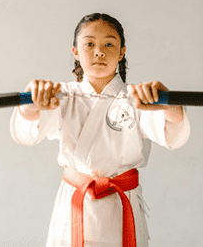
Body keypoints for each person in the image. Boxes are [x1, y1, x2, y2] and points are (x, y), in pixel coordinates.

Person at [10, 13, 191, 247]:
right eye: (89, 44)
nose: (99, 51)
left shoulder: (137, 97)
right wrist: (30, 106)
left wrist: (171, 107)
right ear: (75, 51)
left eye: (109, 43)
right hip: (74, 203)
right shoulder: (60, 94)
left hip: (121, 203)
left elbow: (172, 135)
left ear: (122, 51)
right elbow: (28, 134)